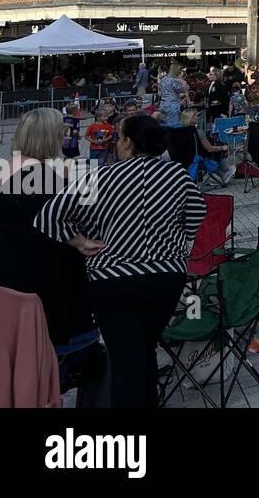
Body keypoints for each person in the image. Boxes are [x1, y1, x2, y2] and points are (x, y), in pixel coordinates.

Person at [35, 113, 206, 408]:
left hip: (112, 279)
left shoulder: (101, 177)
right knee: (147, 350)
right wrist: (180, 245)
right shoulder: (176, 175)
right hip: (165, 276)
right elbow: (196, 212)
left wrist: (79, 241)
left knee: (125, 359)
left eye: (118, 137)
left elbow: (49, 215)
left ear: (128, 143)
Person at [0, 109, 94, 349]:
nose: (67, 136)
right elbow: (71, 222)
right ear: (49, 136)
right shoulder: (42, 175)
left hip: (13, 274)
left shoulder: (8, 170)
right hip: (48, 280)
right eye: (62, 132)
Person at [157, 62, 189, 129]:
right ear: (177, 70)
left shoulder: (163, 79)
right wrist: (181, 79)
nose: (181, 72)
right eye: (180, 70)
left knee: (164, 125)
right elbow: (183, 89)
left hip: (163, 104)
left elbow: (159, 93)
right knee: (173, 127)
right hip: (172, 106)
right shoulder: (175, 80)